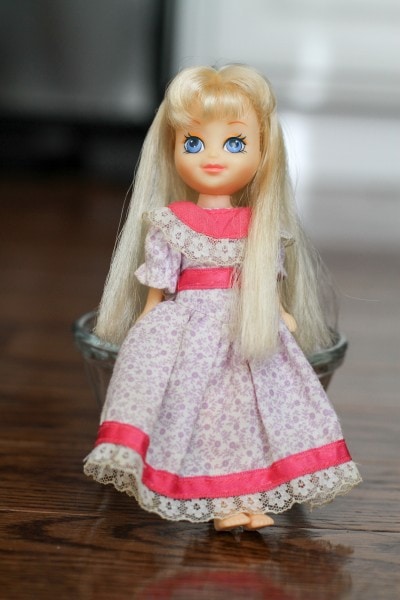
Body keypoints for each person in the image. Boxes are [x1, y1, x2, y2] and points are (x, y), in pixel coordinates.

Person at [84, 64, 361, 531]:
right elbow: (159, 286)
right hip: (190, 333)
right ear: (172, 148)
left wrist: (279, 312)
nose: (212, 157)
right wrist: (146, 325)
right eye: (194, 142)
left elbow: (263, 279)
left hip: (245, 331)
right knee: (205, 417)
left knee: (249, 414)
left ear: (263, 151)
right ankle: (221, 507)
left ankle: (248, 500)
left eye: (235, 143)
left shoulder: (258, 226)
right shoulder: (172, 222)